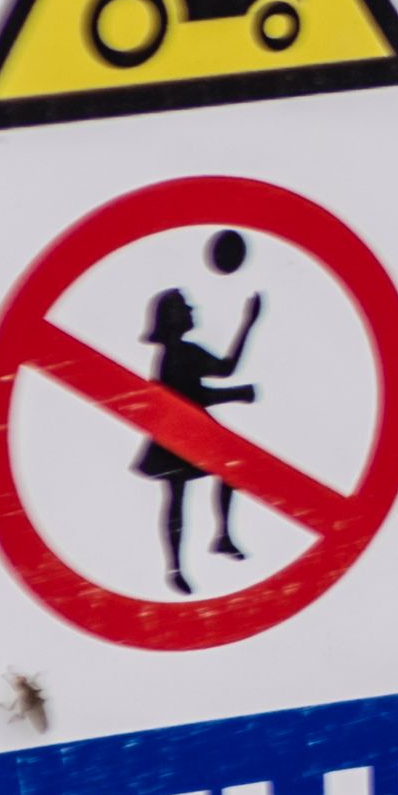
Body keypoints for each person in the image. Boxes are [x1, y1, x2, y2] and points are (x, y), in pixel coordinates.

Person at [137, 235, 269, 591]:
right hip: (175, 435)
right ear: (171, 317)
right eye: (185, 306)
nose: (192, 310)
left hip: (191, 430)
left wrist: (248, 323)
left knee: (231, 468)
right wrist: (237, 394)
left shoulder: (188, 351)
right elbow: (194, 394)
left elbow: (225, 367)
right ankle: (176, 568)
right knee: (178, 499)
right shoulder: (174, 356)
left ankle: (221, 535)